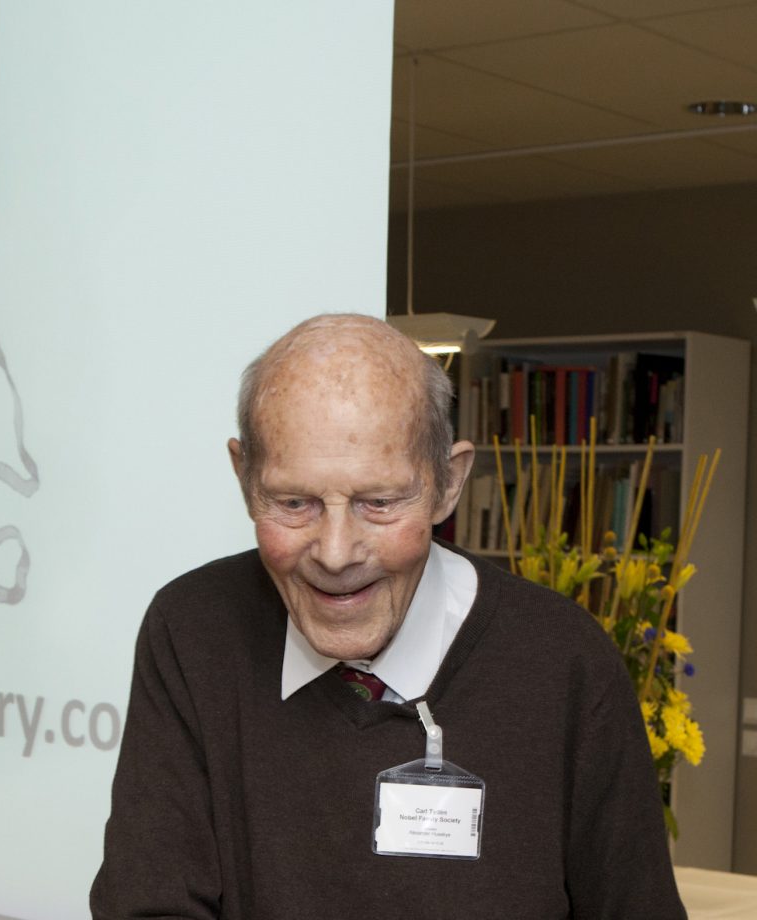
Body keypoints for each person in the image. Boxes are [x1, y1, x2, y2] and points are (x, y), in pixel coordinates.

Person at [90, 314, 685, 919]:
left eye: (379, 503)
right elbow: (149, 903)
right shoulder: (194, 630)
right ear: (245, 480)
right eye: (294, 503)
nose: (336, 552)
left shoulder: (564, 663)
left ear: (448, 484)